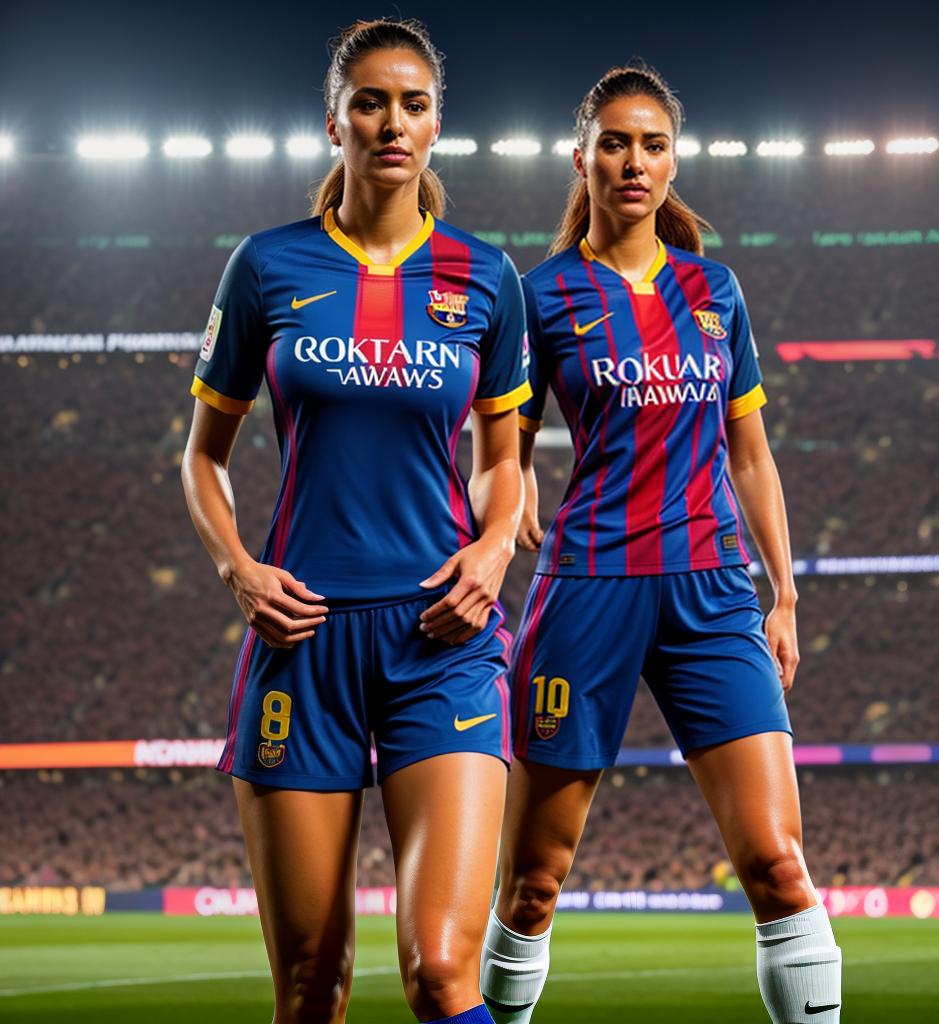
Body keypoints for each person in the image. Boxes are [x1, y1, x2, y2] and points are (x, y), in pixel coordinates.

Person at [180, 18, 530, 1024]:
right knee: (310, 987)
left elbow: (503, 464)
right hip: (304, 639)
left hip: (444, 638)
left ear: (435, 125)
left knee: (442, 974)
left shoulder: (484, 279)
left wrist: (495, 545)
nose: (392, 121)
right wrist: (238, 569)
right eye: (370, 101)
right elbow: (202, 457)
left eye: (413, 103)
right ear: (334, 121)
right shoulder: (267, 267)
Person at [479, 66, 842, 1024]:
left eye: (650, 144)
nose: (632, 161)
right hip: (587, 587)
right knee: (534, 884)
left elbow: (752, 458)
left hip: (712, 590)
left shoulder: (716, 291)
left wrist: (786, 592)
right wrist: (506, 499)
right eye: (613, 142)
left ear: (672, 160)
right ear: (582, 158)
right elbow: (500, 438)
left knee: (776, 862)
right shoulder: (541, 294)